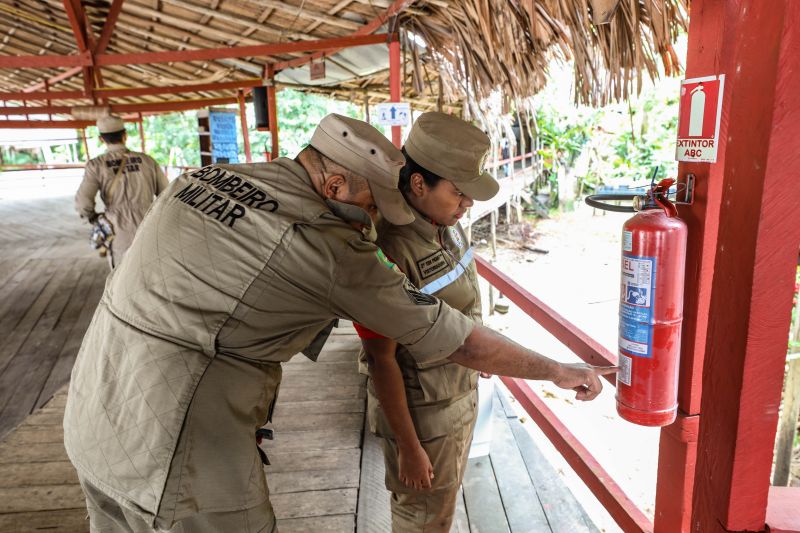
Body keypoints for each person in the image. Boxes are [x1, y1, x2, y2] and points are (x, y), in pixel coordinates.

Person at [63, 113, 613, 533]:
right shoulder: (328, 248)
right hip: (178, 447)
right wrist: (556, 370)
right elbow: (457, 341)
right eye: (374, 209)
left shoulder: (200, 180)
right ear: (334, 189)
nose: (374, 227)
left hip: (94, 407)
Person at [355, 112, 613, 532]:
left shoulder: (445, 225)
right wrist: (408, 446)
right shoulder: (388, 250)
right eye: (458, 192)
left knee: (440, 512)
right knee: (420, 520)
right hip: (422, 420)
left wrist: (486, 359)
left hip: (458, 397)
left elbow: (464, 312)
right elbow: (380, 360)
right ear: (418, 184)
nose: (468, 204)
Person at [75, 115, 168, 268]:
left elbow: (82, 203)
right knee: (154, 271)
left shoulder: (96, 165)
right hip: (149, 226)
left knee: (122, 279)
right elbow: (166, 194)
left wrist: (93, 218)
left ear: (101, 139)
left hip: (118, 230)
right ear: (125, 135)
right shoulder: (147, 160)